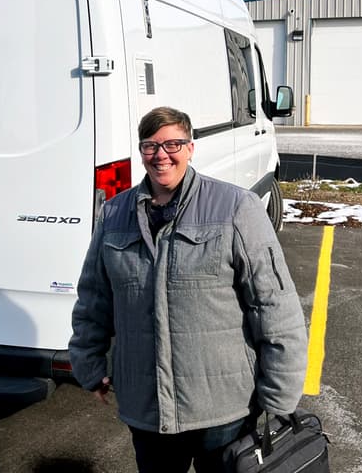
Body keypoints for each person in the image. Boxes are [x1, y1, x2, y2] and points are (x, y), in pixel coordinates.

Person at [69, 106, 307, 473]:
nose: (161, 155)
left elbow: (274, 305)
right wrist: (88, 363)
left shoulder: (234, 208)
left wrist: (280, 393)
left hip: (223, 410)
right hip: (147, 409)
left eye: (172, 144)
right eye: (150, 146)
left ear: (190, 148)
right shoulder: (115, 214)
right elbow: (94, 297)